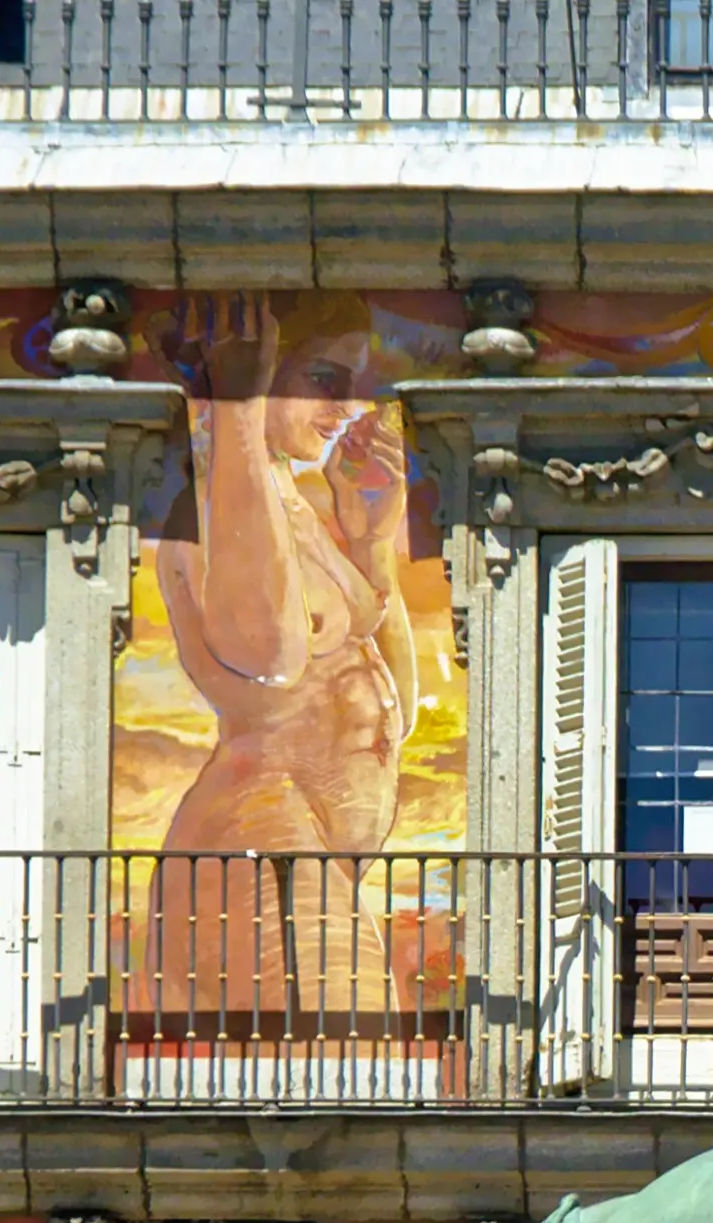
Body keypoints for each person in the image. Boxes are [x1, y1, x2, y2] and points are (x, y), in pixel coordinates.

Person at [148, 298, 417, 1020]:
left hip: (308, 854)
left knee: (360, 1079)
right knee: (354, 1071)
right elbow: (268, 656)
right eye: (325, 378)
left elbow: (402, 710)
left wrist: (372, 547)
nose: (348, 407)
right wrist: (237, 407)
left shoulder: (291, 504)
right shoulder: (211, 501)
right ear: (261, 366)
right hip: (258, 847)